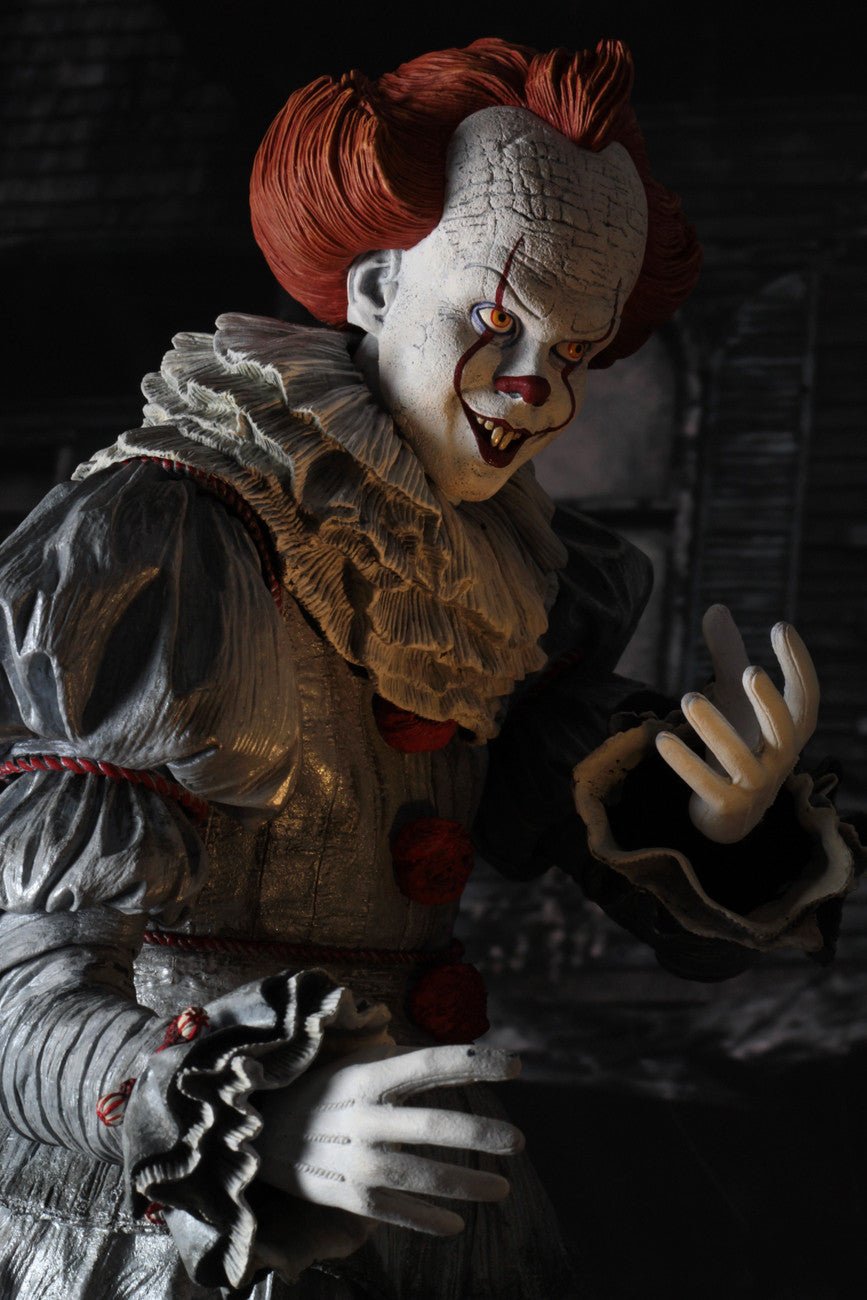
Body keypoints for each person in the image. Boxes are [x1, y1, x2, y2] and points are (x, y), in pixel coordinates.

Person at [0, 37, 856, 1300]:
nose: (537, 392)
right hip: (187, 1207)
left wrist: (707, 819)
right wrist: (226, 1108)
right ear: (374, 283)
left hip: (424, 1195)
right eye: (498, 321)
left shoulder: (501, 582)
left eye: (575, 353)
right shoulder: (178, 540)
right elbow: (20, 992)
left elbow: (555, 801)